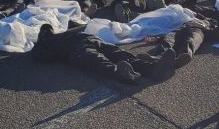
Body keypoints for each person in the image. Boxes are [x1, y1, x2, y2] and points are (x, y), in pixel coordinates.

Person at [31, 24, 176, 85]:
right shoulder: (43, 45)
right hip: (75, 49)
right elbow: (42, 56)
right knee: (99, 60)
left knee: (120, 54)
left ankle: (153, 69)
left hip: (88, 40)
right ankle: (123, 74)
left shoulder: (58, 36)